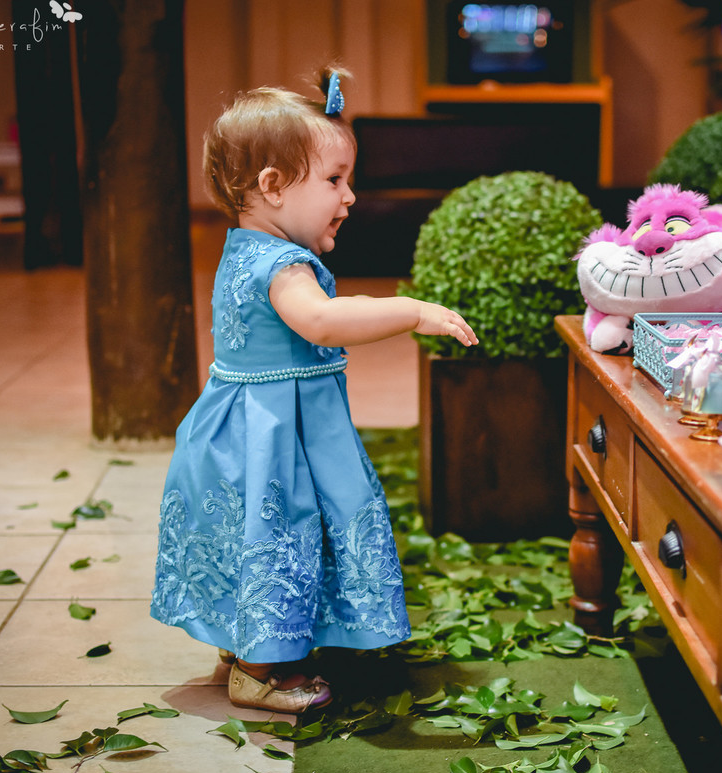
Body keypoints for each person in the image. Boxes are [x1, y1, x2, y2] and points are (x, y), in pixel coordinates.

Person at [150, 67, 478, 713]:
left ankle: (252, 638)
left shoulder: (244, 247)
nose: (350, 195)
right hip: (274, 437)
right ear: (272, 187)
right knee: (285, 531)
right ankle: (262, 671)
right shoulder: (284, 266)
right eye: (334, 180)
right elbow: (322, 320)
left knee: (261, 537)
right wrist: (409, 309)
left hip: (252, 426)